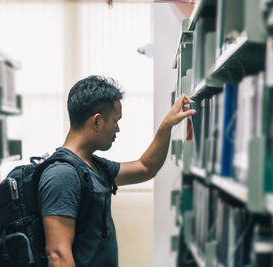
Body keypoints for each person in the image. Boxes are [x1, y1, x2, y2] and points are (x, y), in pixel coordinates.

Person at [38, 75, 195, 267]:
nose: (118, 129)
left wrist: (166, 125)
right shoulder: (62, 175)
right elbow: (58, 255)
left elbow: (146, 168)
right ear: (96, 122)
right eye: (115, 120)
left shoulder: (94, 166)